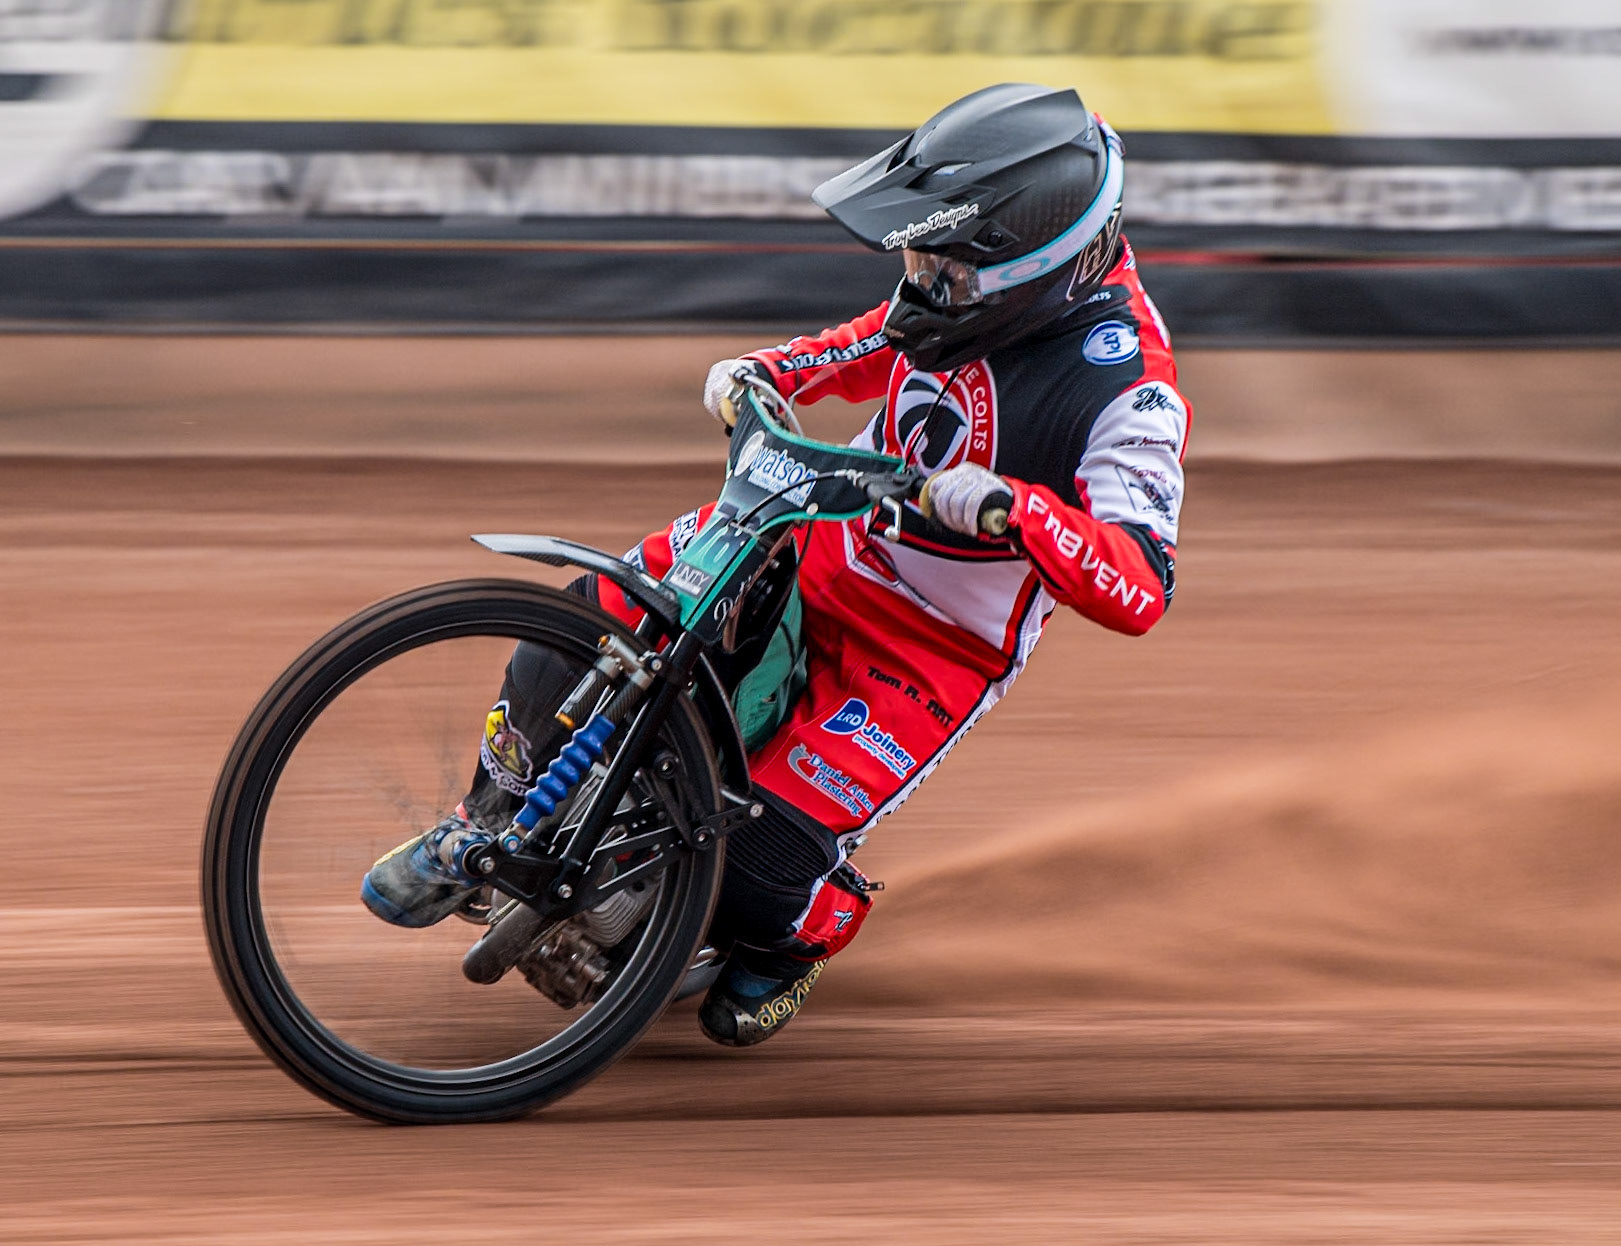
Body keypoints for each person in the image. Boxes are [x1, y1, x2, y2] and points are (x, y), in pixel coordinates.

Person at [360, 82, 1192, 1048]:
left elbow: (1141, 587)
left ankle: (800, 941)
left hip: (926, 654)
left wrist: (1017, 508)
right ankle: (480, 819)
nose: (922, 279)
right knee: (586, 625)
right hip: (803, 535)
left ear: (1028, 271)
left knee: (758, 872)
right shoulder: (960, 302)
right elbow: (861, 345)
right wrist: (763, 371)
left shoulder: (1130, 388)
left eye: (945, 265)